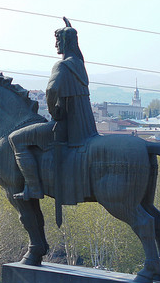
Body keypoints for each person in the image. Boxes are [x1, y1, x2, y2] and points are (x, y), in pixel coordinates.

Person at [8, 17, 98, 200]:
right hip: (85, 124)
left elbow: (51, 89)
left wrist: (53, 111)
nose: (56, 44)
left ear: (65, 42)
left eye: (58, 40)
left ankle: (33, 188)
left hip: (66, 125)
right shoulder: (79, 64)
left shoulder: (63, 65)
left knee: (15, 139)